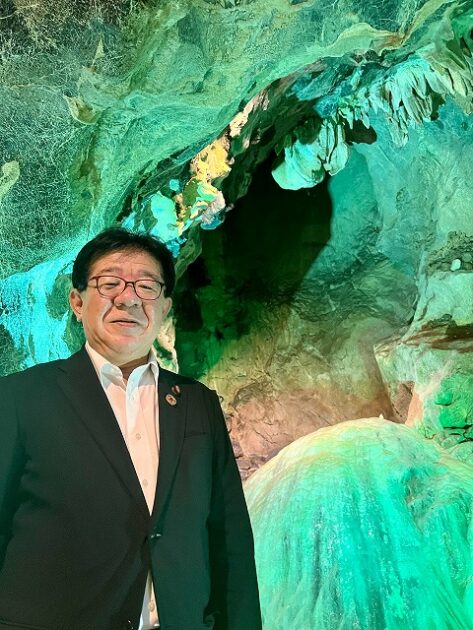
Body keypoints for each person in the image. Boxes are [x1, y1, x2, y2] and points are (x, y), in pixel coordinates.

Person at [0, 228, 262, 630]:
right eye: (110, 284)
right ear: (77, 301)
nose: (129, 298)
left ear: (165, 307)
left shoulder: (198, 403)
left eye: (147, 286)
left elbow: (229, 540)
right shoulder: (19, 397)